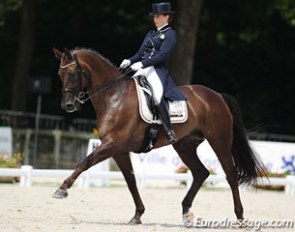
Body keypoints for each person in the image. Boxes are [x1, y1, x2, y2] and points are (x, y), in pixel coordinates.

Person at [120, 2, 186, 144]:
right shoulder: (151, 34)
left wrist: (142, 64)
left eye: (158, 16)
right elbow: (140, 53)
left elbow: (162, 56)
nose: (155, 19)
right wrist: (129, 61)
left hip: (156, 70)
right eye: (154, 16)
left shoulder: (170, 35)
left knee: (156, 96)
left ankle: (168, 130)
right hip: (141, 68)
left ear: (167, 17)